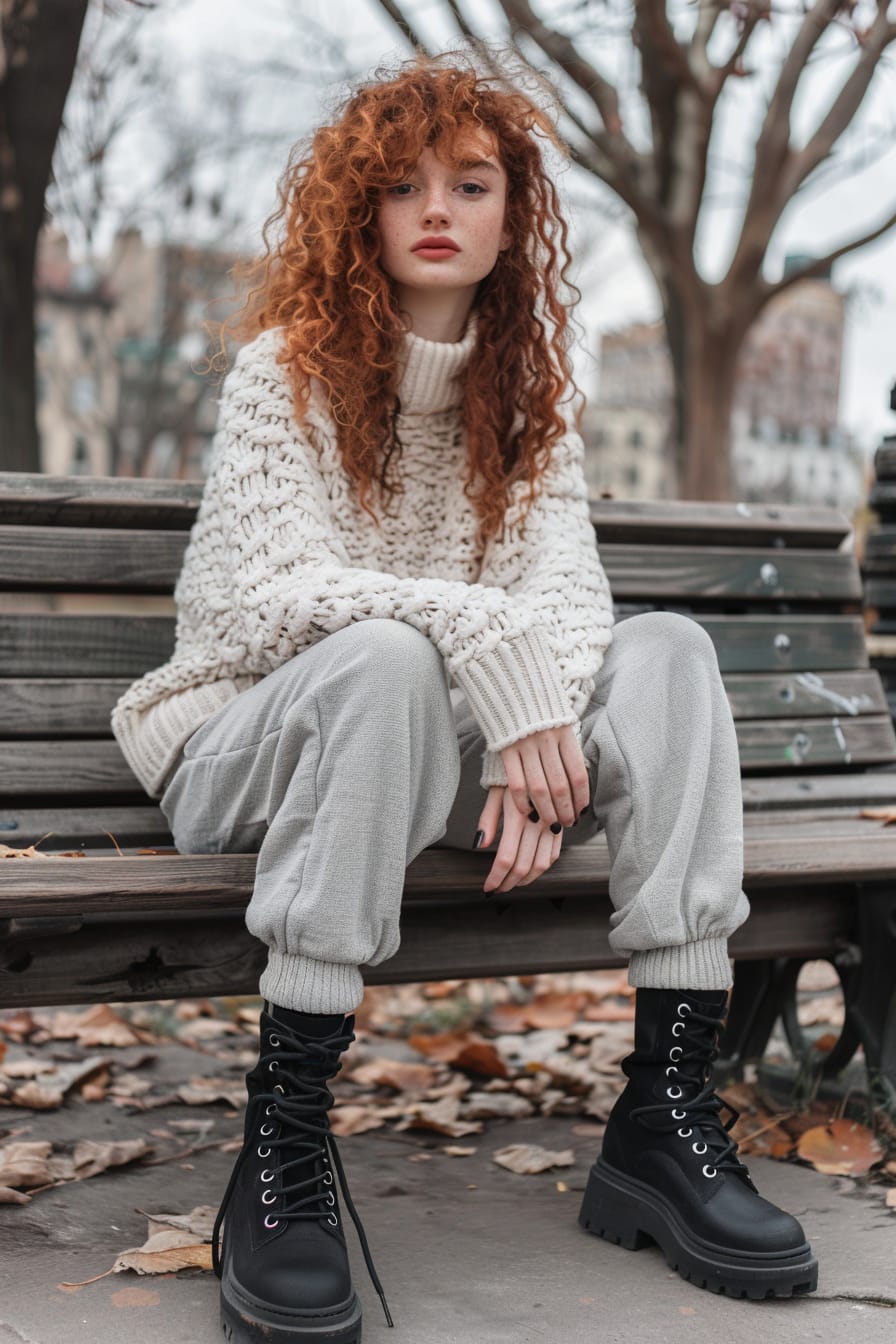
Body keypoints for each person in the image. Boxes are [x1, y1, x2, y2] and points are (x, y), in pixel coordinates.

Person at [110, 55, 818, 1344]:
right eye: (403, 185)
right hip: (244, 742)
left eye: (472, 183)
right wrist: (494, 662)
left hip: (422, 771)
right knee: (384, 654)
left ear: (512, 215)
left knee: (667, 653)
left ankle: (662, 1115)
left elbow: (574, 610)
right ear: (361, 216)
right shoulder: (284, 375)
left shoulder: (533, 403)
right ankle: (282, 1144)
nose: (438, 207)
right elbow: (260, 605)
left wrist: (522, 734)